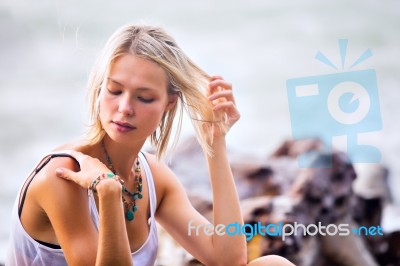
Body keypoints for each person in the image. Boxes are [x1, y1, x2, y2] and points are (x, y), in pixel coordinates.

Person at [7, 24, 295, 266]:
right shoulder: (62, 176)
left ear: (169, 103)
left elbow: (228, 260)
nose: (124, 108)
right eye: (115, 90)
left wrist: (214, 144)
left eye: (144, 97)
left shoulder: (152, 177)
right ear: (99, 87)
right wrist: (108, 195)